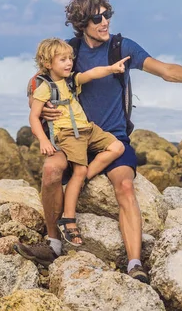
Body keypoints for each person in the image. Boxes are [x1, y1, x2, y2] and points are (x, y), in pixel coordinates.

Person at [15, 0, 182, 283]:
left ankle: (135, 264)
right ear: (82, 23)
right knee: (50, 170)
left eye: (107, 15)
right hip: (72, 138)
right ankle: (53, 244)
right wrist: (40, 106)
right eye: (97, 18)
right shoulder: (68, 51)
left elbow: (167, 72)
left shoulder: (122, 48)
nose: (105, 22)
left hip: (112, 138)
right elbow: (37, 84)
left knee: (124, 185)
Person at [29, 37, 130, 246]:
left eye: (70, 59)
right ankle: (68, 218)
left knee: (117, 147)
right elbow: (33, 116)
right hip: (68, 134)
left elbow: (91, 74)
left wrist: (111, 69)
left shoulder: (70, 80)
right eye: (62, 60)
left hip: (87, 129)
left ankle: (79, 183)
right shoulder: (45, 87)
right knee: (79, 170)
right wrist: (43, 140)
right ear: (48, 64)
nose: (69, 63)